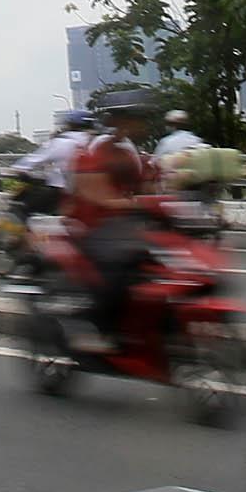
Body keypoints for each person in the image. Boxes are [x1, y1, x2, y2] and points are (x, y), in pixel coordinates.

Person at [68, 91, 167, 342]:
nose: (141, 124)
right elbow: (94, 193)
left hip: (124, 224)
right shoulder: (96, 148)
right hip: (95, 225)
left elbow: (147, 189)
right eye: (134, 118)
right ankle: (103, 330)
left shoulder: (131, 151)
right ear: (118, 120)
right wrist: (134, 204)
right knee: (116, 273)